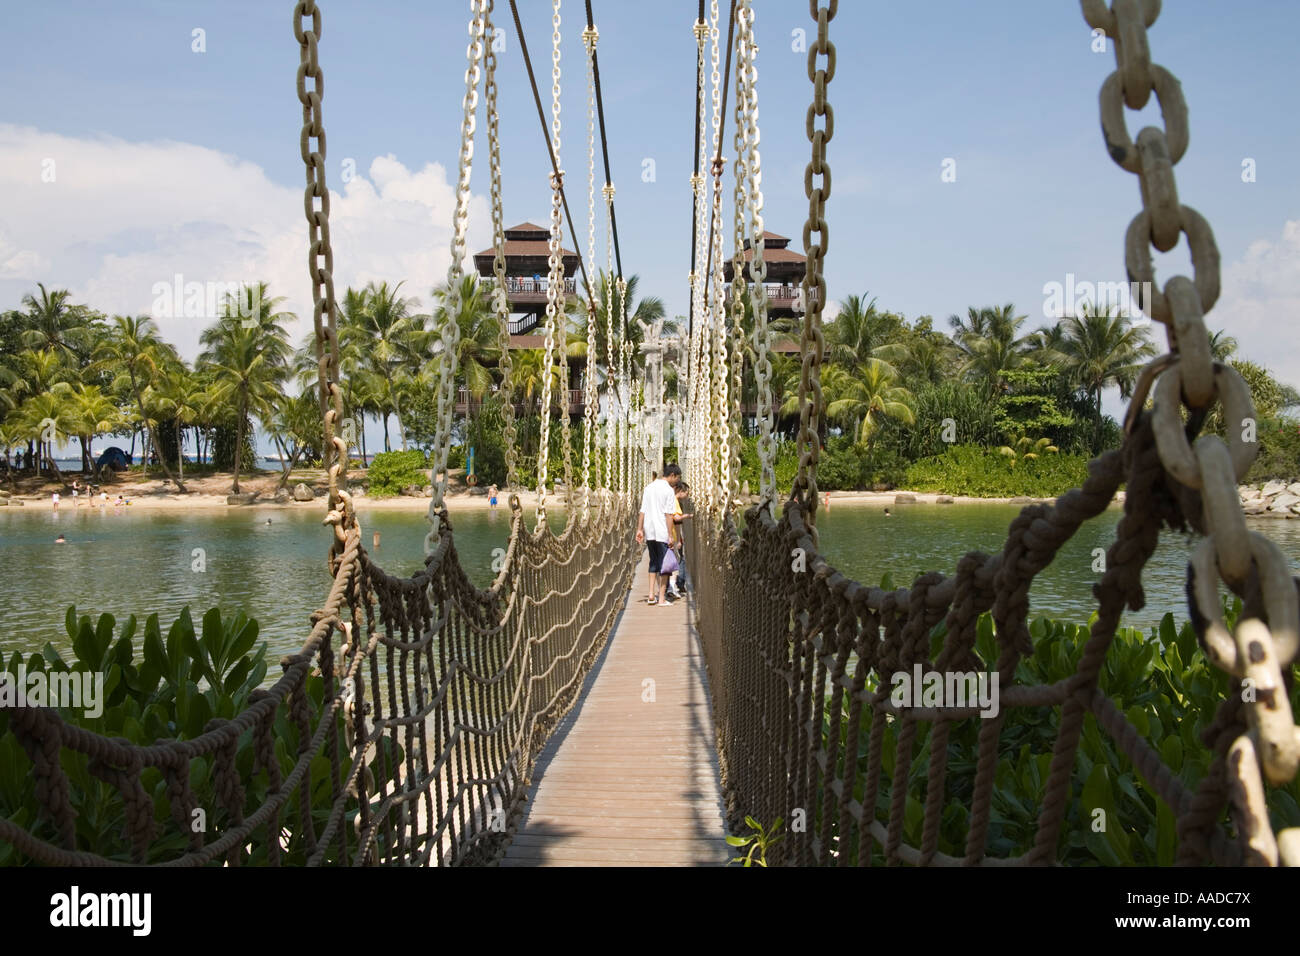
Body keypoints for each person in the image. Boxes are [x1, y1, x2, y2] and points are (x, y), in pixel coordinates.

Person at [635, 463, 680, 606]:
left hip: (650, 531)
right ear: (672, 476)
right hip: (662, 532)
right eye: (677, 478)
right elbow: (668, 515)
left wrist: (639, 529)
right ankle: (661, 599)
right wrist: (670, 535)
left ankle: (650, 595)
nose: (677, 482)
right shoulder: (668, 491)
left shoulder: (649, 488)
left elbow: (643, 510)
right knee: (665, 565)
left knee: (653, 562)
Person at [667, 481, 692, 598]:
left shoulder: (670, 499)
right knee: (678, 560)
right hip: (673, 536)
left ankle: (672, 586)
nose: (687, 495)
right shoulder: (674, 501)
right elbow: (676, 519)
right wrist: (688, 516)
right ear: (680, 492)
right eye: (686, 492)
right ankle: (676, 585)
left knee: (671, 561)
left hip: (669, 535)